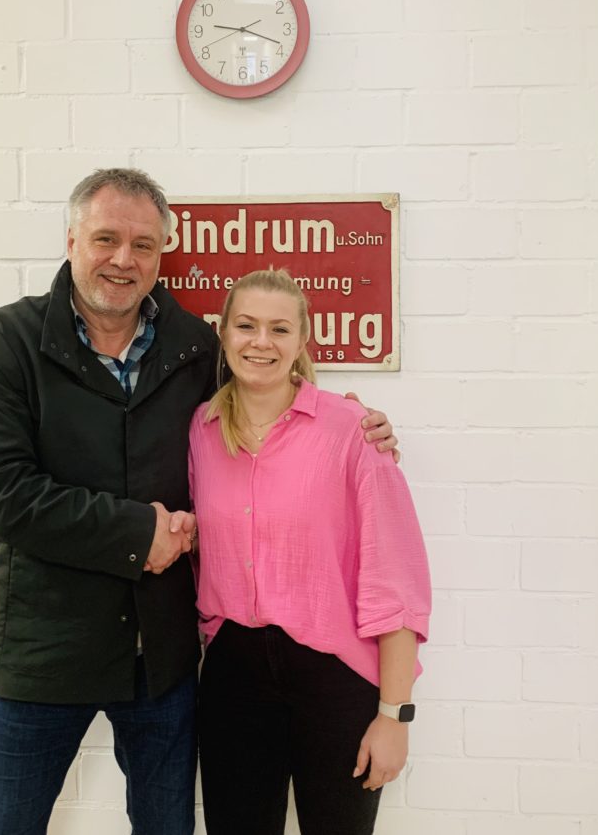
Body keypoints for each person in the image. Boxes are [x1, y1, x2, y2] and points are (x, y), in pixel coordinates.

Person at [0, 168, 399, 835]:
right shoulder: (7, 341)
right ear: (71, 239)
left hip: (159, 661)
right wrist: (138, 533)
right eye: (106, 238)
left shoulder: (194, 346)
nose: (123, 259)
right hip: (44, 650)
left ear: (162, 252)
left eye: (143, 244)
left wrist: (351, 422)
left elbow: (261, 403)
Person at [189, 269, 431, 835]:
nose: (262, 342)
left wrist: (395, 716)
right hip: (233, 672)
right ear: (223, 333)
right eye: (246, 325)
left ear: (303, 339)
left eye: (279, 329)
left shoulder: (352, 431)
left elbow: (394, 581)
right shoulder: (201, 429)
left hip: (334, 676)